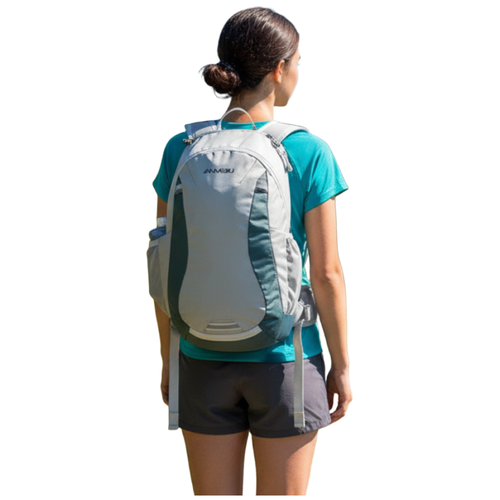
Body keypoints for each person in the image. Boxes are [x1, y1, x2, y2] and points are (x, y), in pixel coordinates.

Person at [152, 7, 352, 495]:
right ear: (280, 69)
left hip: (199, 356)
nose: (298, 72)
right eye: (298, 62)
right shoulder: (308, 152)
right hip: (286, 358)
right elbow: (326, 272)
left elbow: (162, 265)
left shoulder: (182, 148)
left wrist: (168, 359)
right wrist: (342, 366)